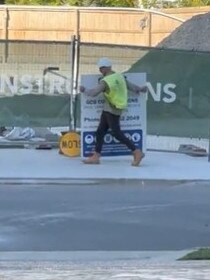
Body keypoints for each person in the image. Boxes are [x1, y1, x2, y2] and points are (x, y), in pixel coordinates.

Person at [79, 57, 147, 166]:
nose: (100, 72)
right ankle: (96, 156)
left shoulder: (105, 81)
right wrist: (140, 89)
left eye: (100, 69)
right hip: (110, 108)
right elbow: (131, 87)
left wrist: (84, 90)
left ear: (103, 69)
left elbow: (93, 93)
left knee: (117, 133)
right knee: (100, 132)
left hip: (112, 109)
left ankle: (136, 151)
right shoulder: (120, 76)